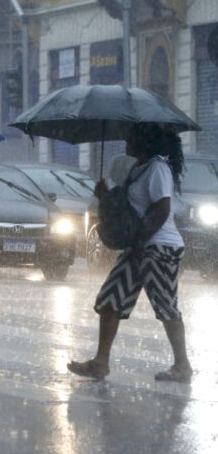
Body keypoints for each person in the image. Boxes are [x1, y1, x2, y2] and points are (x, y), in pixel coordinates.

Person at [68, 124, 192, 383]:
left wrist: (140, 243)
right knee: (111, 298)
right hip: (138, 246)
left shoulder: (157, 168)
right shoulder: (138, 168)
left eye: (132, 136)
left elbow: (162, 209)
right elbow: (129, 207)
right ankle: (100, 363)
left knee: (165, 304)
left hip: (159, 248)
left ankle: (182, 366)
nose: (126, 139)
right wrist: (106, 195)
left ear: (145, 141)